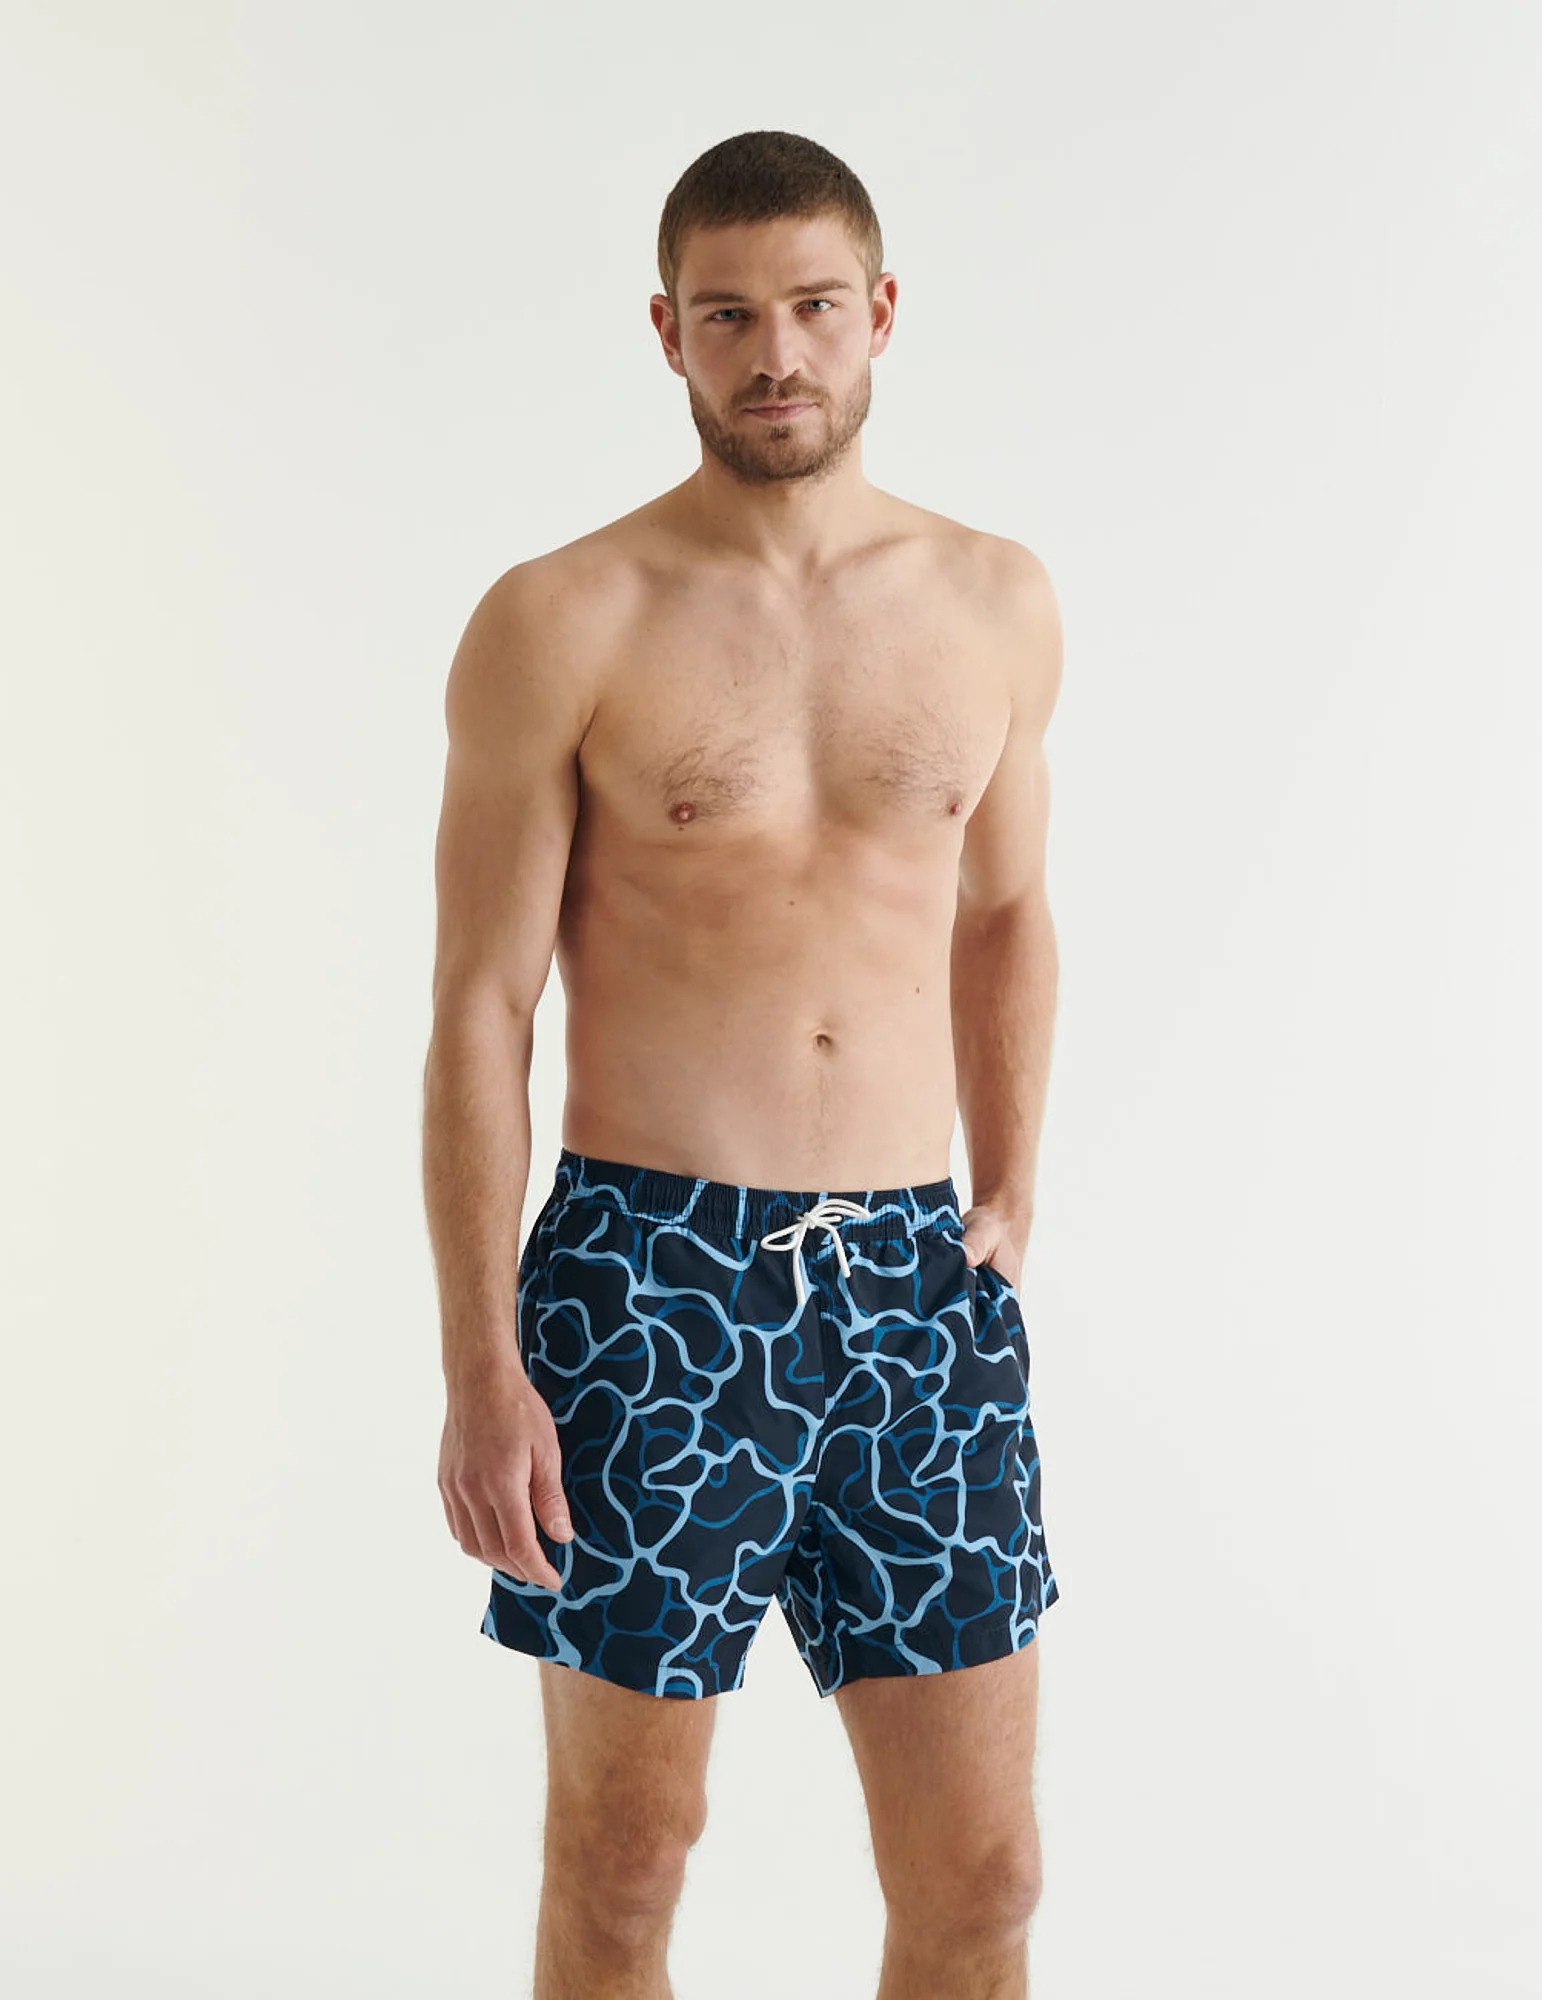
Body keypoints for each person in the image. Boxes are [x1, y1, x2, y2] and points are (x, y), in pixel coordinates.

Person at [422, 128, 1063, 2000]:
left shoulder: (994, 599)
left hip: (915, 1287)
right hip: (648, 1281)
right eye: (727, 317)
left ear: (881, 313)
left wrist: (1011, 1187)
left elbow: (1007, 911)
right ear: (668, 333)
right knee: (626, 1864)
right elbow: (479, 1008)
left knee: (986, 1878)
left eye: (810, 307)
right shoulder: (565, 617)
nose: (775, 353)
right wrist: (480, 1365)